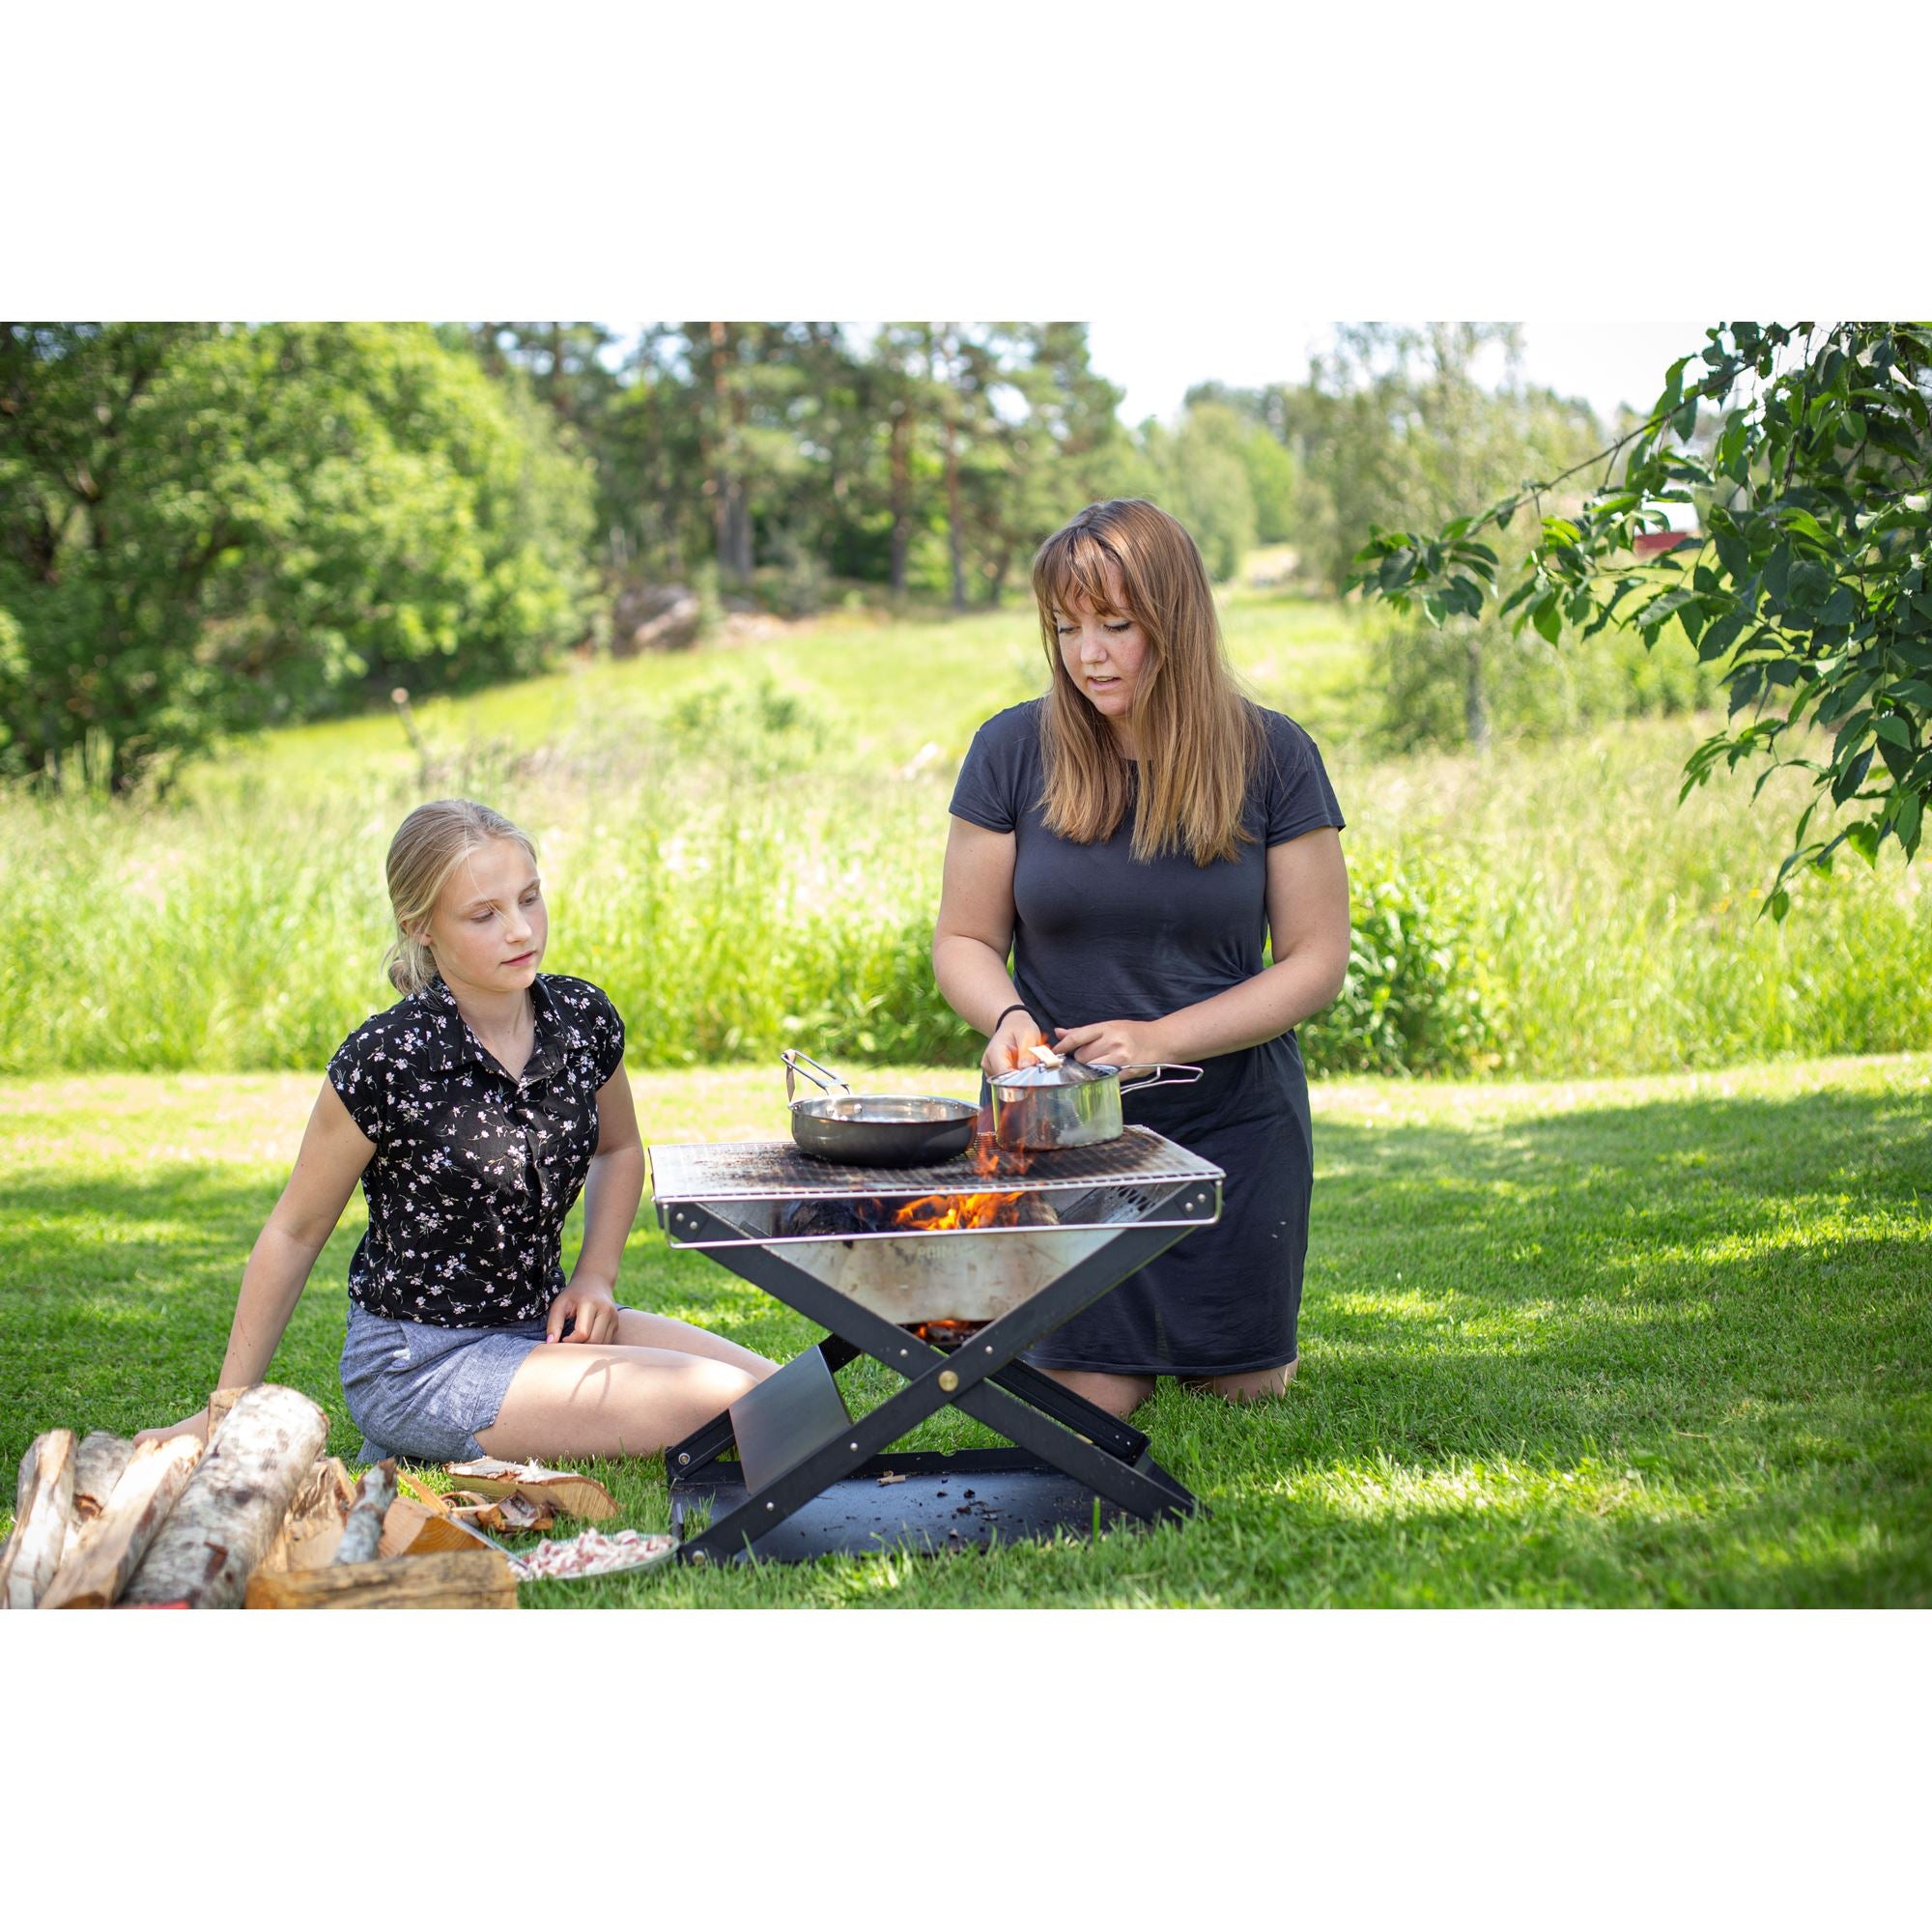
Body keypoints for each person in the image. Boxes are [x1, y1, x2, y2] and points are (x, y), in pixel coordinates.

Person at [139, 798, 775, 1463]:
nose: (520, 930)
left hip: (543, 1328)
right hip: (422, 1365)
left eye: (529, 899)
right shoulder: (386, 1060)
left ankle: (447, 1440)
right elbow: (293, 1232)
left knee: (778, 1392)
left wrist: (595, 1278)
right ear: (421, 927)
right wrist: (223, 1411)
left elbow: (617, 1149)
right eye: (484, 915)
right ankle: (417, 1431)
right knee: (727, 1399)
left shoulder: (581, 1019)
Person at [933, 499, 1350, 1420]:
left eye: (1116, 625)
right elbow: (964, 940)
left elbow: (1317, 960)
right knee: (1092, 1391)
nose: (1088, 655)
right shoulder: (1011, 749)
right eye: (1066, 628)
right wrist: (1008, 1018)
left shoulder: (1275, 754)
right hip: (1060, 1134)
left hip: (1234, 1126)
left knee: (1241, 1387)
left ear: (1176, 619)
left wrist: (1161, 1039)